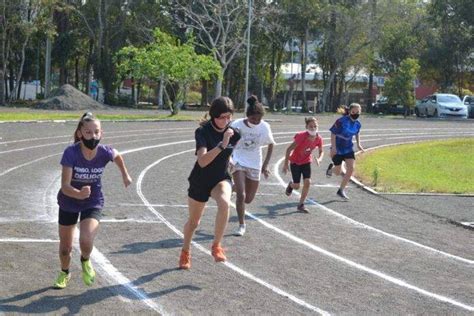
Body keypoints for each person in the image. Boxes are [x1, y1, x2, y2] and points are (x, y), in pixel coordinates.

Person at [53, 112, 132, 289]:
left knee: (86, 240)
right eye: (88, 132)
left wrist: (125, 175)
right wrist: (78, 193)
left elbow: (117, 155)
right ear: (80, 134)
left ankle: (85, 260)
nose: (93, 136)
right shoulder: (71, 153)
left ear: (101, 133)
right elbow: (65, 186)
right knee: (65, 248)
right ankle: (65, 272)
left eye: (96, 132)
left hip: (92, 200)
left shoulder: (104, 152)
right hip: (69, 201)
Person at [179, 97, 241, 270]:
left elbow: (229, 154)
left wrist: (231, 161)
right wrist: (222, 145)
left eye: (229, 117)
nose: (226, 121)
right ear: (214, 115)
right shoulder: (203, 132)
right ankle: (185, 251)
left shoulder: (235, 133)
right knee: (194, 222)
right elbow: (202, 161)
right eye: (222, 117)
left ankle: (216, 246)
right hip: (200, 180)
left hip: (220, 178)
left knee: (224, 203)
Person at [230, 95, 275, 236]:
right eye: (253, 119)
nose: (256, 122)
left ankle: (228, 187)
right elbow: (226, 140)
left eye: (258, 119)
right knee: (241, 196)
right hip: (238, 160)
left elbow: (271, 144)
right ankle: (241, 225)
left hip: (255, 162)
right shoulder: (237, 124)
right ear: (247, 116)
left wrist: (266, 165)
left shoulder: (265, 127)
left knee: (248, 198)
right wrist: (228, 158)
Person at [283, 117, 324, 212]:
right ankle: (291, 185)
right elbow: (289, 149)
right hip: (295, 162)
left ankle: (301, 204)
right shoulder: (301, 136)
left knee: (308, 182)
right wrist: (285, 164)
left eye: (315, 126)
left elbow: (321, 151)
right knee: (297, 186)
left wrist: (319, 159)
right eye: (311, 126)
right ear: (306, 127)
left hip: (306, 162)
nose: (313, 128)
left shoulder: (318, 138)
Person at [325, 103, 365, 200]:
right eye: (353, 112)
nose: (355, 114)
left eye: (357, 112)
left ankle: (341, 190)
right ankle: (331, 170)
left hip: (348, 148)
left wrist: (359, 144)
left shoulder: (358, 124)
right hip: (337, 148)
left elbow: (357, 133)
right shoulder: (341, 121)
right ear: (349, 112)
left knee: (351, 168)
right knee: (338, 172)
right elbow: (333, 133)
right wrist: (333, 147)